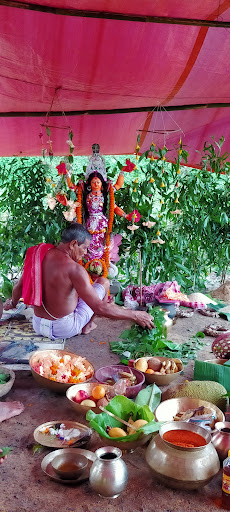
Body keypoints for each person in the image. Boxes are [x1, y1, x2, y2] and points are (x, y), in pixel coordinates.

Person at [4, 223, 154, 339]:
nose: (86, 253)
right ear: (73, 244)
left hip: (37, 324)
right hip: (64, 328)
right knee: (103, 282)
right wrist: (135, 315)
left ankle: (84, 322)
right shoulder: (74, 269)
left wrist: (12, 303)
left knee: (80, 292)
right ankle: (86, 326)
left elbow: (18, 286)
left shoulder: (38, 255)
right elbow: (100, 308)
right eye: (85, 248)